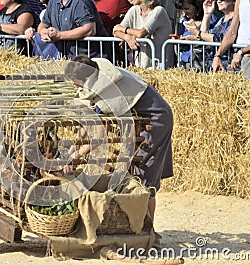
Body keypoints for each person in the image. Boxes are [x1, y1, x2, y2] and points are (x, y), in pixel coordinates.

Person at [64, 54, 173, 232]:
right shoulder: (94, 75)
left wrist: (75, 156)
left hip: (154, 119)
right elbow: (91, 119)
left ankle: (147, 231)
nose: (74, 86)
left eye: (76, 82)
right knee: (137, 172)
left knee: (145, 176)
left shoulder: (107, 90)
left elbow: (99, 136)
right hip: (140, 119)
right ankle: (137, 226)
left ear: (86, 78)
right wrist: (74, 145)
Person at [36, 0, 110, 59]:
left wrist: (59, 35)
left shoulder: (81, 2)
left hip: (91, 59)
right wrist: (43, 32)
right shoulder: (53, 2)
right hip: (70, 59)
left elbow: (89, 29)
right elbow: (43, 24)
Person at [113, 0, 174, 68]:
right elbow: (115, 32)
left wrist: (124, 29)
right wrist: (127, 37)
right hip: (140, 67)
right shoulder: (134, 9)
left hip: (159, 68)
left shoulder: (159, 11)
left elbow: (141, 33)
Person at [212, 0, 250, 79]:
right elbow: (232, 32)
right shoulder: (240, 1)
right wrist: (218, 55)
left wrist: (242, 52)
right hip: (236, 55)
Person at [182, 0, 235, 70]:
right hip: (211, 64)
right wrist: (207, 14)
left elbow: (222, 39)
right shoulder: (221, 19)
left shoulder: (236, 20)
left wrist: (198, 33)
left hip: (225, 65)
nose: (219, 1)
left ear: (234, 1)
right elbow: (206, 35)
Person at [176, 0, 217, 69]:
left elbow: (210, 37)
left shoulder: (210, 18)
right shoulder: (185, 21)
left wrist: (194, 38)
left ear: (197, 7)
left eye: (187, 9)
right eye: (182, 9)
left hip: (201, 62)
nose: (184, 12)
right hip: (185, 60)